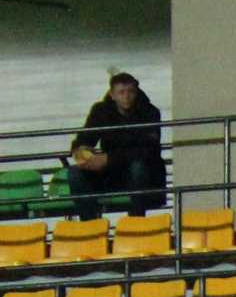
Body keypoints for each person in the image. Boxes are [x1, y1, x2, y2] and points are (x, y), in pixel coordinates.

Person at [67, 69, 167, 212]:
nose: (126, 97)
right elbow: (84, 139)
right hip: (110, 174)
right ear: (112, 95)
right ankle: (89, 223)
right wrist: (83, 154)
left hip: (144, 175)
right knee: (74, 173)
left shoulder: (149, 112)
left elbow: (148, 151)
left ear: (136, 92)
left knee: (137, 168)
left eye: (131, 92)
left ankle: (137, 221)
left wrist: (108, 159)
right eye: (121, 92)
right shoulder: (101, 111)